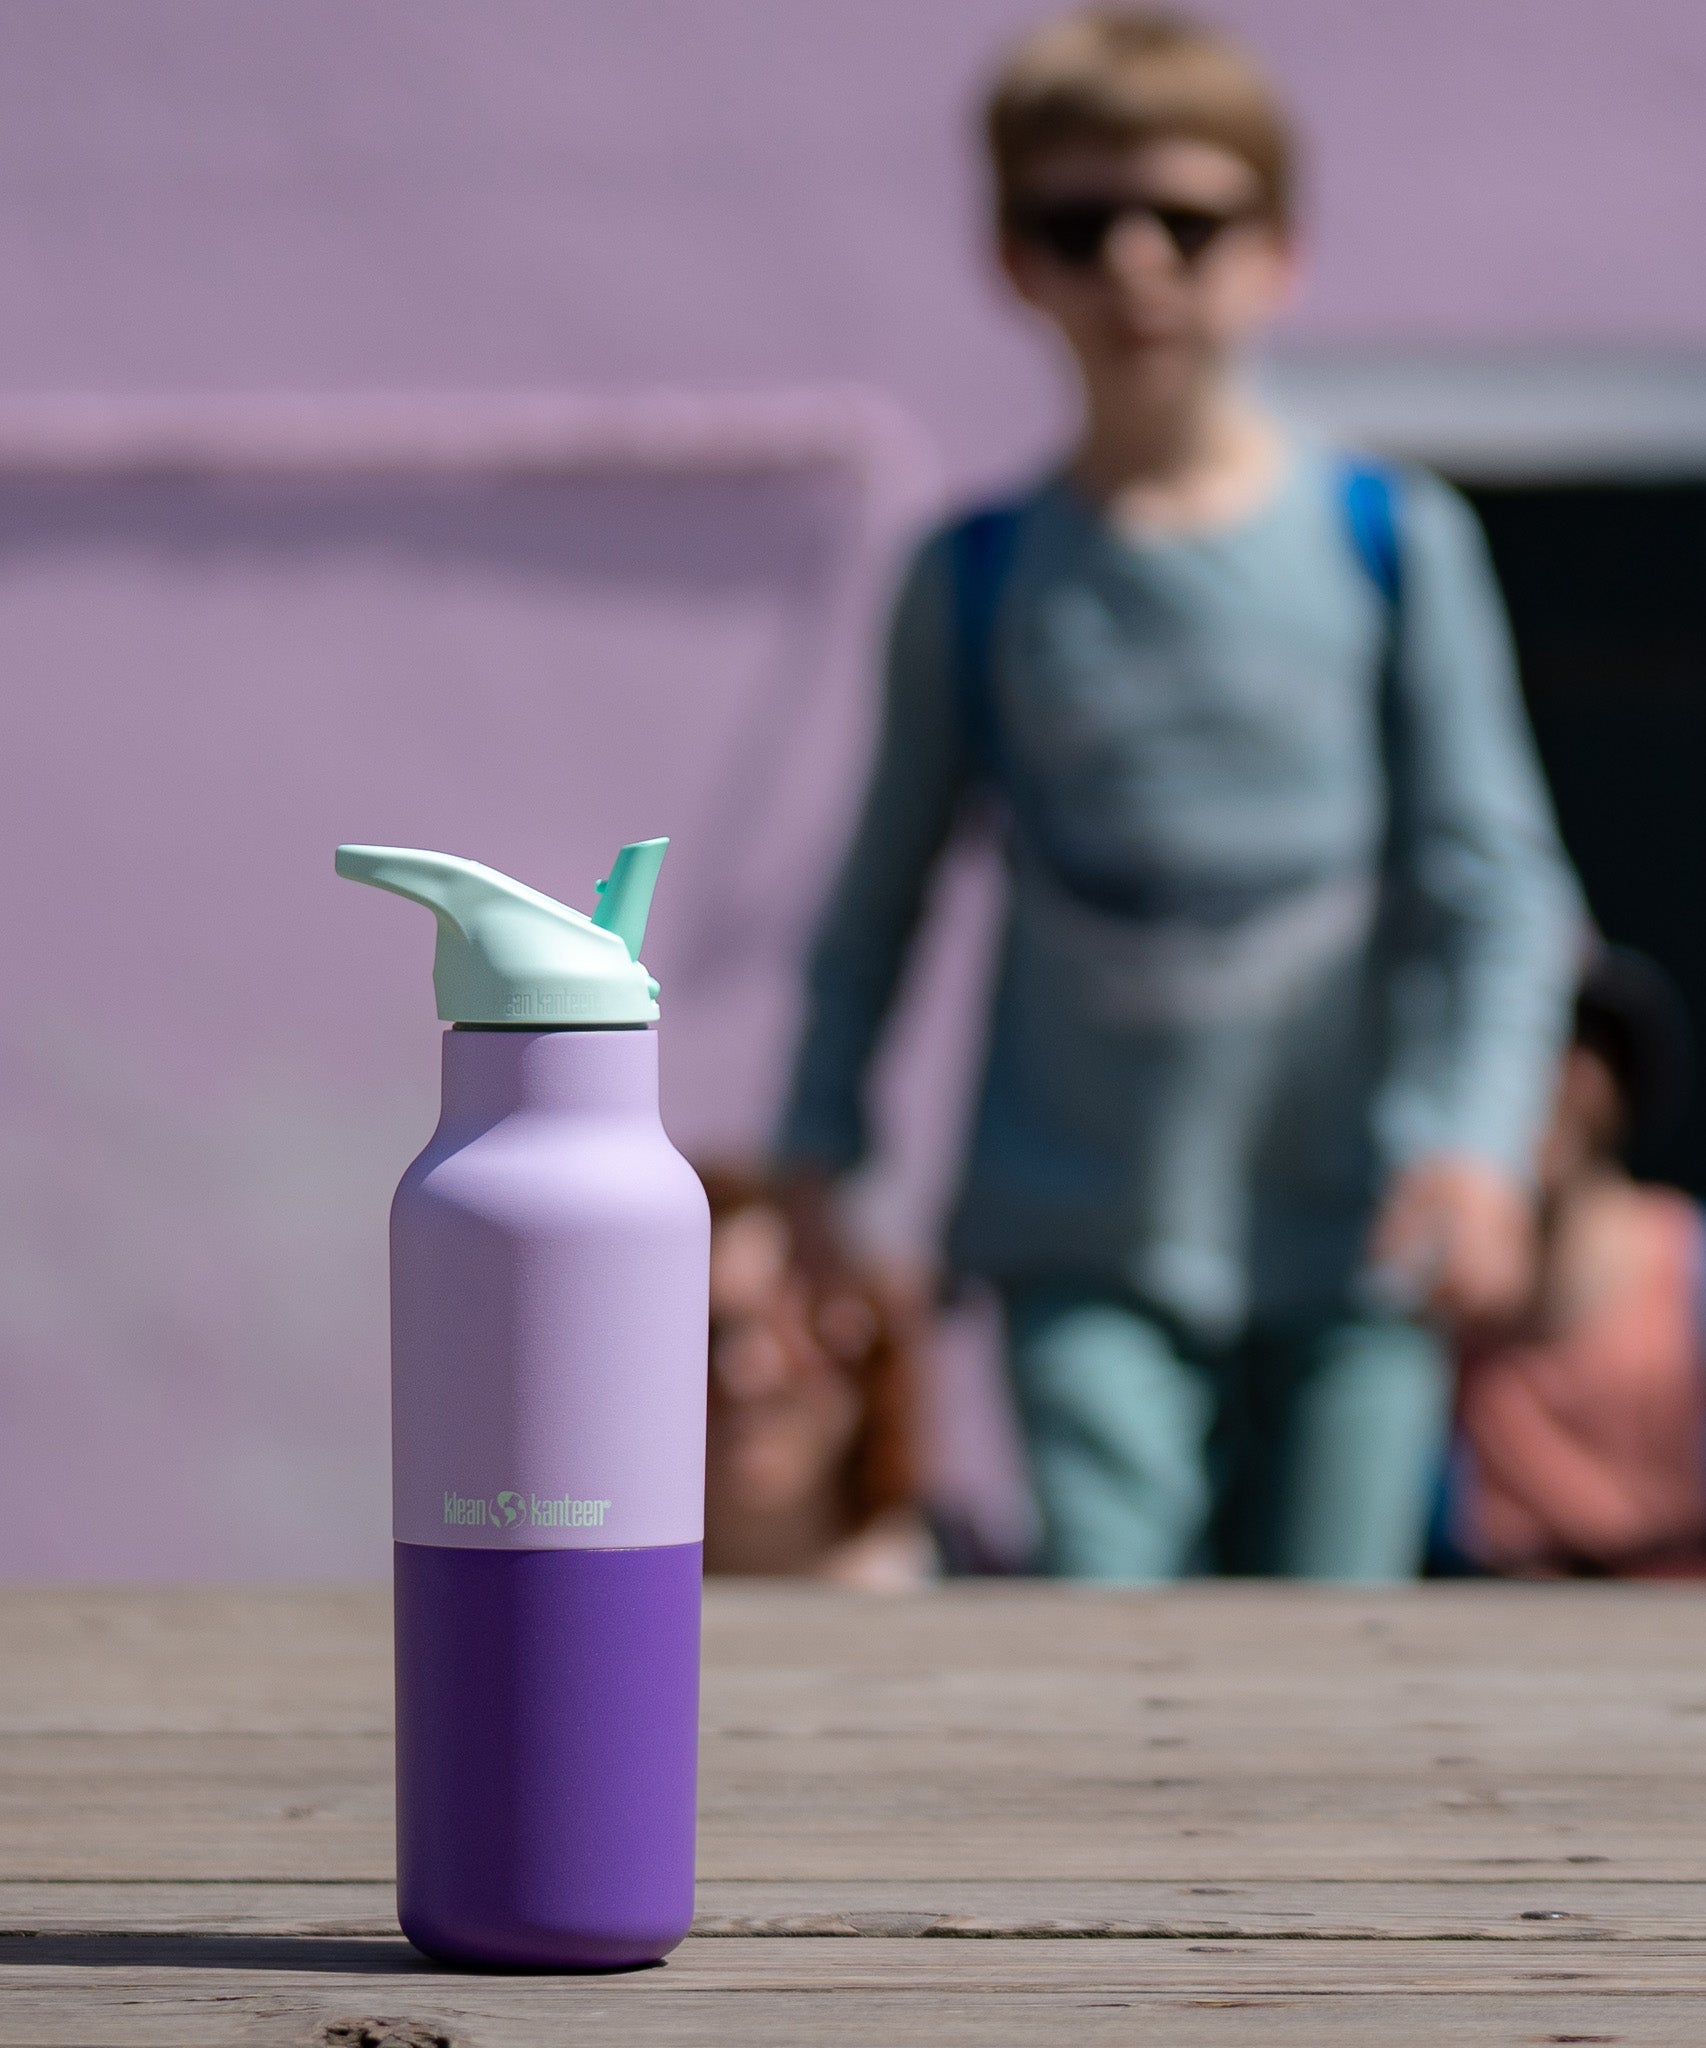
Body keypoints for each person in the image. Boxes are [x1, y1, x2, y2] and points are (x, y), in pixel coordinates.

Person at [773, 7, 1582, 1581]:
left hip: (1357, 1224)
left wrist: (1480, 1149)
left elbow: (1498, 887)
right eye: (1081, 225)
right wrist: (819, 1160)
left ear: (1274, 252)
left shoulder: (1389, 540)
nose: (1136, 261)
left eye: (1188, 221)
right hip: (1072, 1223)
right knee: (1111, 1631)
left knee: (1333, 1648)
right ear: (1014, 258)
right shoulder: (974, 576)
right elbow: (876, 896)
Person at [1442, 950, 1706, 1578]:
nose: (1533, 1079)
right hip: (1487, 1637)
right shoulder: (1428, 1295)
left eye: (1565, 1045)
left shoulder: (1691, 1266)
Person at [700, 1163, 939, 1587]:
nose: (743, 1374)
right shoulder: (604, 1610)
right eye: (709, 1331)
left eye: (789, 1326)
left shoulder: (973, 1579)